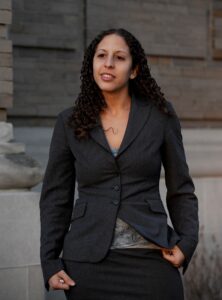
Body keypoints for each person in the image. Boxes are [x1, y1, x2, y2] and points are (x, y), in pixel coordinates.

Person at [39, 28, 199, 300]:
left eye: (119, 57)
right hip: (87, 262)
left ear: (134, 70)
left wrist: (187, 242)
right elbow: (56, 197)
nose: (108, 63)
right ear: (92, 65)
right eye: (101, 55)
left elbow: (180, 187)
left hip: (152, 256)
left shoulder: (160, 115)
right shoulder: (69, 122)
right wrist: (50, 261)